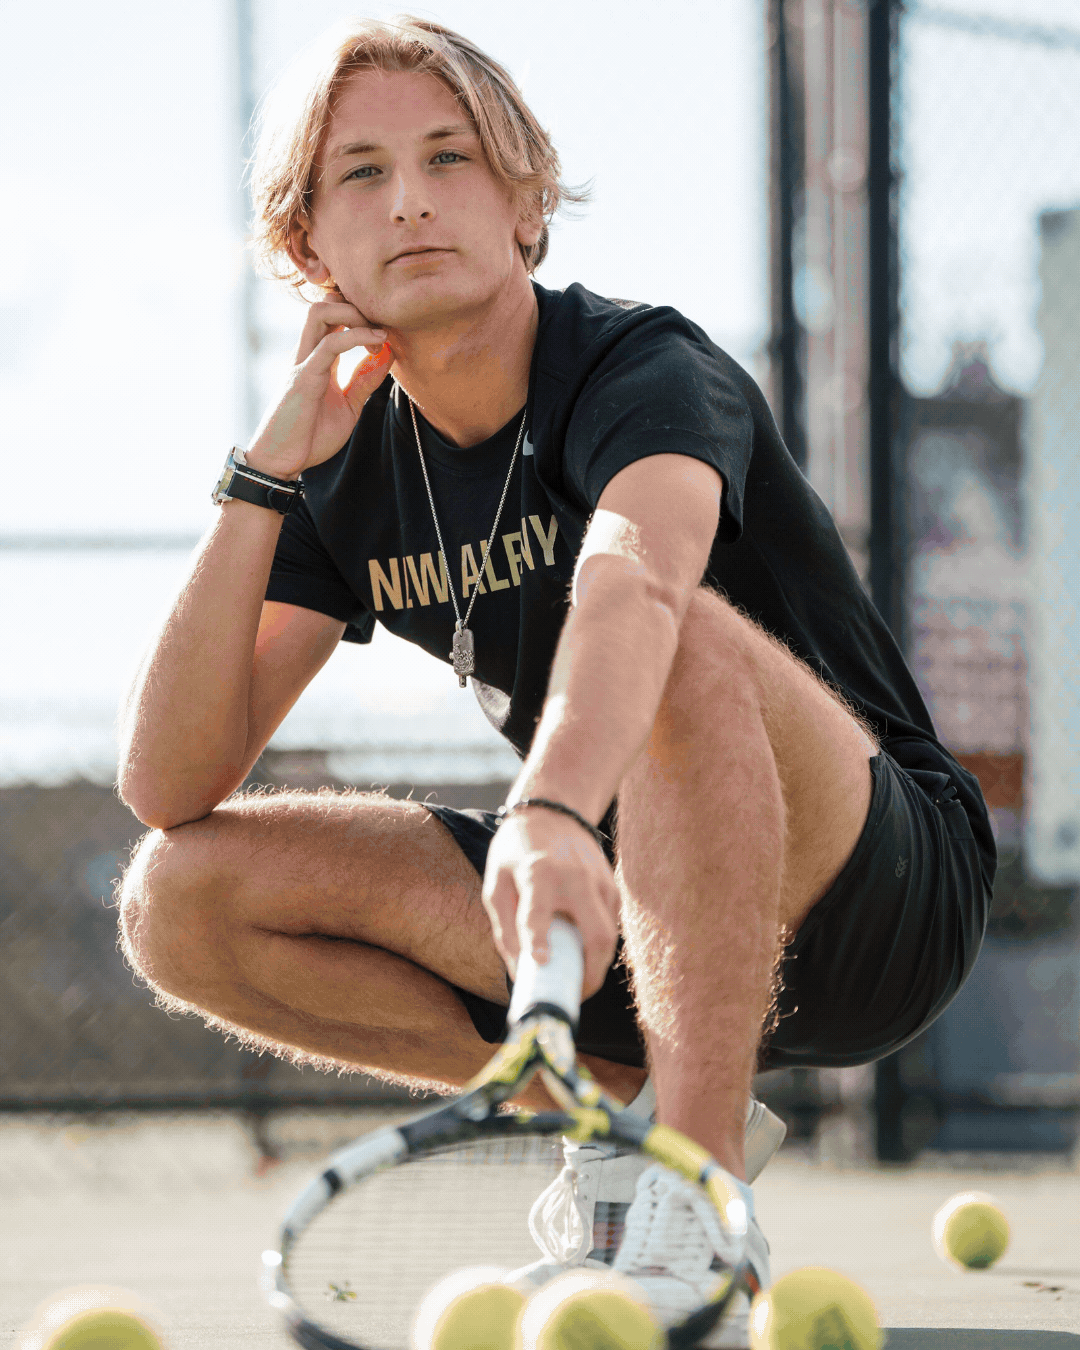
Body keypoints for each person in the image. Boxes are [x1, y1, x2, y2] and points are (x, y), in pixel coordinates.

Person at [116, 15, 995, 1345]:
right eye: (359, 172)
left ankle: (691, 1213)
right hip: (633, 912)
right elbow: (168, 779)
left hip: (874, 888)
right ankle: (616, 1117)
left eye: (450, 156)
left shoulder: (639, 364)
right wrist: (266, 470)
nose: (409, 197)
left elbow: (639, 583)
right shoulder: (343, 463)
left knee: (681, 639)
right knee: (177, 897)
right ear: (307, 251)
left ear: (528, 206)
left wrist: (549, 811)